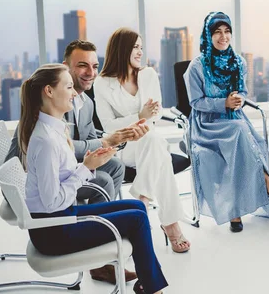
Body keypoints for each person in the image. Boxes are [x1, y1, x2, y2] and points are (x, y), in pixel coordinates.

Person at [20, 63, 167, 294]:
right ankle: (153, 289)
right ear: (49, 91)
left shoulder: (55, 129)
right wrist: (85, 169)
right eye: (68, 87)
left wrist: (93, 161)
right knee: (137, 221)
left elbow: (60, 180)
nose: (74, 92)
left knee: (138, 206)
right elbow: (51, 203)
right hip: (54, 232)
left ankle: (148, 283)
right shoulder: (47, 140)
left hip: (63, 218)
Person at [184, 12, 269, 232]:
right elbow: (195, 102)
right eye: (217, 32)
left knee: (243, 140)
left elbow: (242, 92)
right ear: (208, 35)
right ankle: (267, 182)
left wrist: (238, 100)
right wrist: (224, 103)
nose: (223, 36)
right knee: (240, 134)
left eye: (227, 31)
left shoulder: (238, 62)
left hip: (234, 118)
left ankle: (235, 212)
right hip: (206, 123)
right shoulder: (197, 67)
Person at [6, 40, 139, 206]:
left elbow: (92, 143)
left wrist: (118, 139)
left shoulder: (87, 103)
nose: (91, 73)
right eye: (83, 65)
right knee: (103, 179)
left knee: (116, 166)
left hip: (62, 165)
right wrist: (106, 142)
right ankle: (98, 223)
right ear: (65, 68)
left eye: (95, 66)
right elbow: (56, 146)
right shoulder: (53, 106)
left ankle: (102, 216)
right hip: (33, 178)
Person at [94, 28, 191, 253]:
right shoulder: (102, 84)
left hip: (148, 139)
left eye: (141, 47)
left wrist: (143, 120)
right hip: (123, 147)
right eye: (135, 47)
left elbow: (155, 114)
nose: (140, 51)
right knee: (158, 149)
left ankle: (142, 201)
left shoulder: (148, 75)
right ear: (122, 49)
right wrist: (139, 117)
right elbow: (108, 126)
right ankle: (171, 224)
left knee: (153, 142)